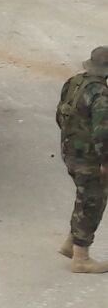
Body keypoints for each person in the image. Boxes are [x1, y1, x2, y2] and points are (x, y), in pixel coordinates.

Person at [56, 47, 108, 273]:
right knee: (93, 201)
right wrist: (105, 161)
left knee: (84, 196)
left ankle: (71, 243)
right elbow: (103, 133)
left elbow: (60, 115)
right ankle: (81, 258)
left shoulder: (74, 82)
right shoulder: (100, 94)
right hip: (89, 157)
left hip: (70, 151)